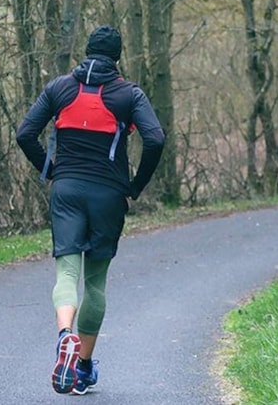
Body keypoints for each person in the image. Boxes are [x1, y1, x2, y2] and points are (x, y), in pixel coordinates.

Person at [16, 25, 165, 395]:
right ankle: (82, 367)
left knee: (67, 271)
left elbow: (24, 133)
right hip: (109, 196)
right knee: (95, 281)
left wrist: (49, 170)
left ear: (86, 52)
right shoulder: (129, 94)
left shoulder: (60, 88)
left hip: (66, 189)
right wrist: (136, 185)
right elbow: (155, 138)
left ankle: (64, 334)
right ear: (118, 58)